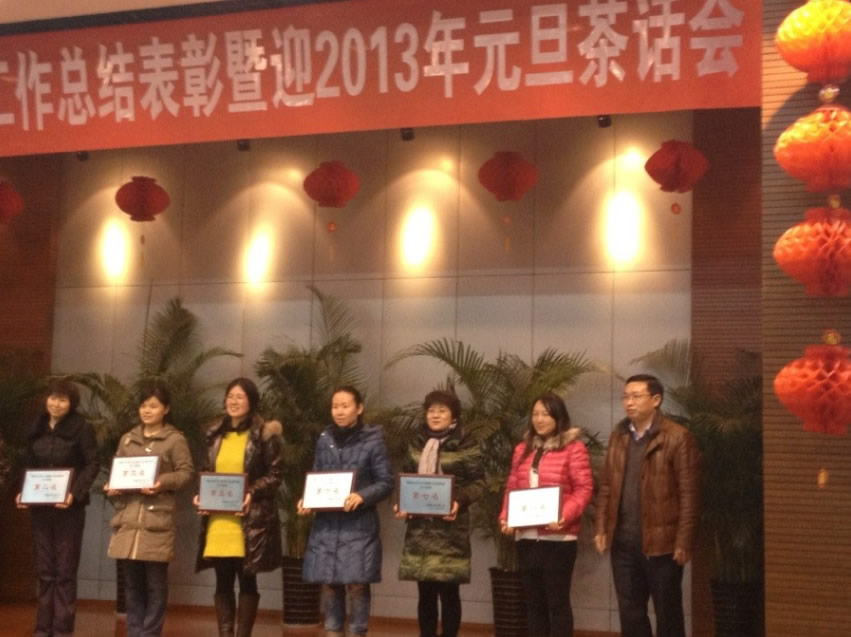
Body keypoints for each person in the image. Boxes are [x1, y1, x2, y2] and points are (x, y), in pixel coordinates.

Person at [594, 374, 700, 637]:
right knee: (630, 614)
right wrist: (602, 528)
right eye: (625, 397)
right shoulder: (618, 436)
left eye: (636, 396)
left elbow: (689, 494)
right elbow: (606, 486)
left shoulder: (678, 437)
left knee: (668, 614)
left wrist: (684, 541)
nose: (629, 402)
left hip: (663, 545)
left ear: (656, 400)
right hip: (623, 544)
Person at [300, 386, 394, 637]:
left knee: (357, 586)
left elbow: (386, 482)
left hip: (359, 526)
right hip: (327, 526)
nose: (339, 411)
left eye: (345, 406)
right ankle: (332, 632)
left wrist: (362, 496)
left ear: (359, 408)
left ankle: (357, 632)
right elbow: (317, 477)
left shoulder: (373, 441)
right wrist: (307, 499)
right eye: (335, 406)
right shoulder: (324, 440)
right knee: (330, 585)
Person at [498, 393, 593, 637]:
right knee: (534, 604)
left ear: (558, 417)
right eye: (535, 414)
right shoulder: (522, 449)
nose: (539, 419)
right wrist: (506, 517)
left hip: (558, 539)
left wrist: (564, 516)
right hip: (526, 538)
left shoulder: (574, 448)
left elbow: (583, 489)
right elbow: (512, 487)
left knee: (557, 604)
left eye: (546, 414)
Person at [195, 377, 283, 637]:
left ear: (251, 402)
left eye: (240, 397)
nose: (233, 401)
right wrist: (201, 495)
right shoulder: (213, 433)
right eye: (230, 396)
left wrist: (251, 492)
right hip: (218, 519)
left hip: (249, 519)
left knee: (247, 580)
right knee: (222, 580)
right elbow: (206, 471)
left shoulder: (264, 434)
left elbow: (275, 474)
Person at [105, 382, 195, 637]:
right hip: (128, 520)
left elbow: (186, 473)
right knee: (132, 586)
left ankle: (150, 633)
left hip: (156, 520)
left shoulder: (175, 440)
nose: (147, 410)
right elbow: (119, 471)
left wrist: (161, 483)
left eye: (153, 406)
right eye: (143, 405)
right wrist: (113, 485)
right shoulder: (128, 439)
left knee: (156, 585)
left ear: (166, 409)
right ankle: (134, 632)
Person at [395, 390, 484, 637]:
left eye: (442, 410)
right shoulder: (417, 441)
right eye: (431, 410)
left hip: (450, 529)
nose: (435, 415)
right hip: (420, 530)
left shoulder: (465, 442)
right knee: (425, 593)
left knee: (449, 593)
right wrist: (401, 503)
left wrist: (458, 501)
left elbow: (478, 482)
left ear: (453, 415)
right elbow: (406, 477)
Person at [15, 379, 99, 637]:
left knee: (64, 572)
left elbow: (92, 463)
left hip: (68, 510)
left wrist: (74, 493)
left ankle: (62, 631)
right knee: (44, 571)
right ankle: (42, 631)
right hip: (40, 509)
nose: (56, 403)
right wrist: (22, 491)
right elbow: (27, 463)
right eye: (53, 397)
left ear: (71, 404)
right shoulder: (37, 427)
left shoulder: (82, 428)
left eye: (63, 400)